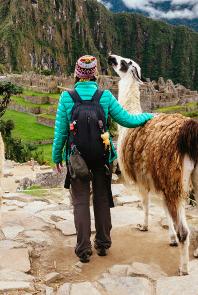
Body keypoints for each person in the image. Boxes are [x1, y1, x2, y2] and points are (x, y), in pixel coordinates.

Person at [51, 55, 154, 263]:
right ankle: (103, 243)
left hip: (76, 158)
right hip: (102, 157)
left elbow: (61, 133)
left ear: (77, 74)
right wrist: (150, 116)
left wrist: (56, 156)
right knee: (102, 198)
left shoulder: (66, 98)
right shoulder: (105, 96)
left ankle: (83, 249)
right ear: (95, 74)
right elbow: (128, 120)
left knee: (80, 202)